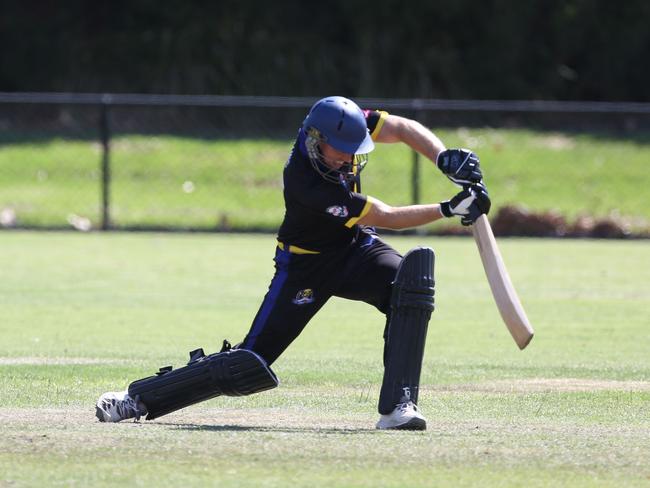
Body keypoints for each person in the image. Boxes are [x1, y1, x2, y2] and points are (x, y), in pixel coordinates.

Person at [95, 96, 490, 430]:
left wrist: (445, 159)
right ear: (317, 142)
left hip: (354, 250)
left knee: (410, 283)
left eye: (355, 149)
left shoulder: (339, 127)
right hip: (305, 267)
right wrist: (448, 208)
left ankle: (398, 406)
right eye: (343, 152)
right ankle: (136, 399)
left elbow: (401, 128)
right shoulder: (306, 182)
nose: (350, 158)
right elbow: (384, 216)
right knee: (249, 363)